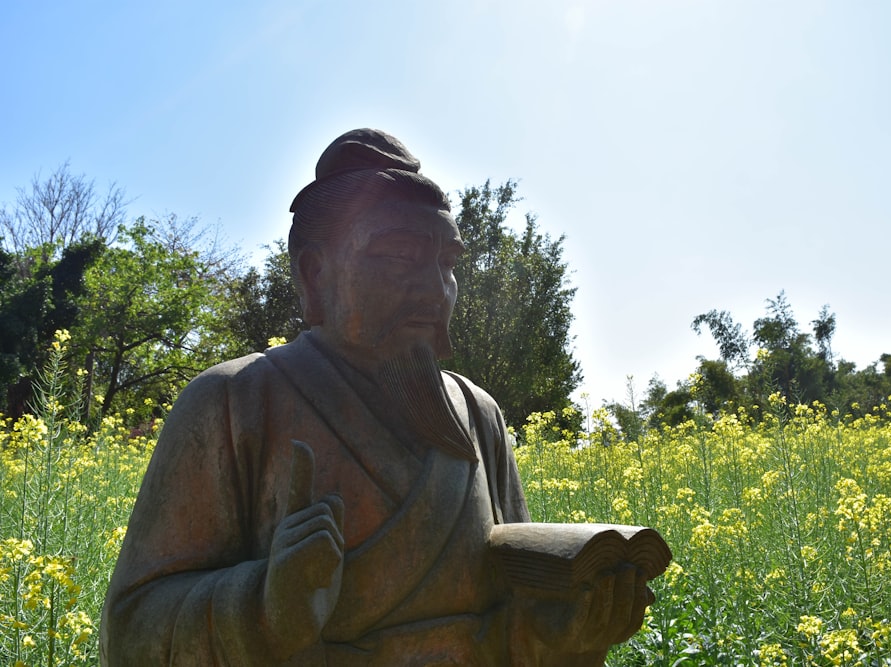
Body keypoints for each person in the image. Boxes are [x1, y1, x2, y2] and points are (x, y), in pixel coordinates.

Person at [100, 128, 652, 666]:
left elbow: (514, 602)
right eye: (398, 257)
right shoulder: (234, 402)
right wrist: (264, 608)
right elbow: (130, 630)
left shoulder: (477, 414)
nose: (436, 291)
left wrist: (566, 631)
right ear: (314, 273)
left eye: (447, 264)